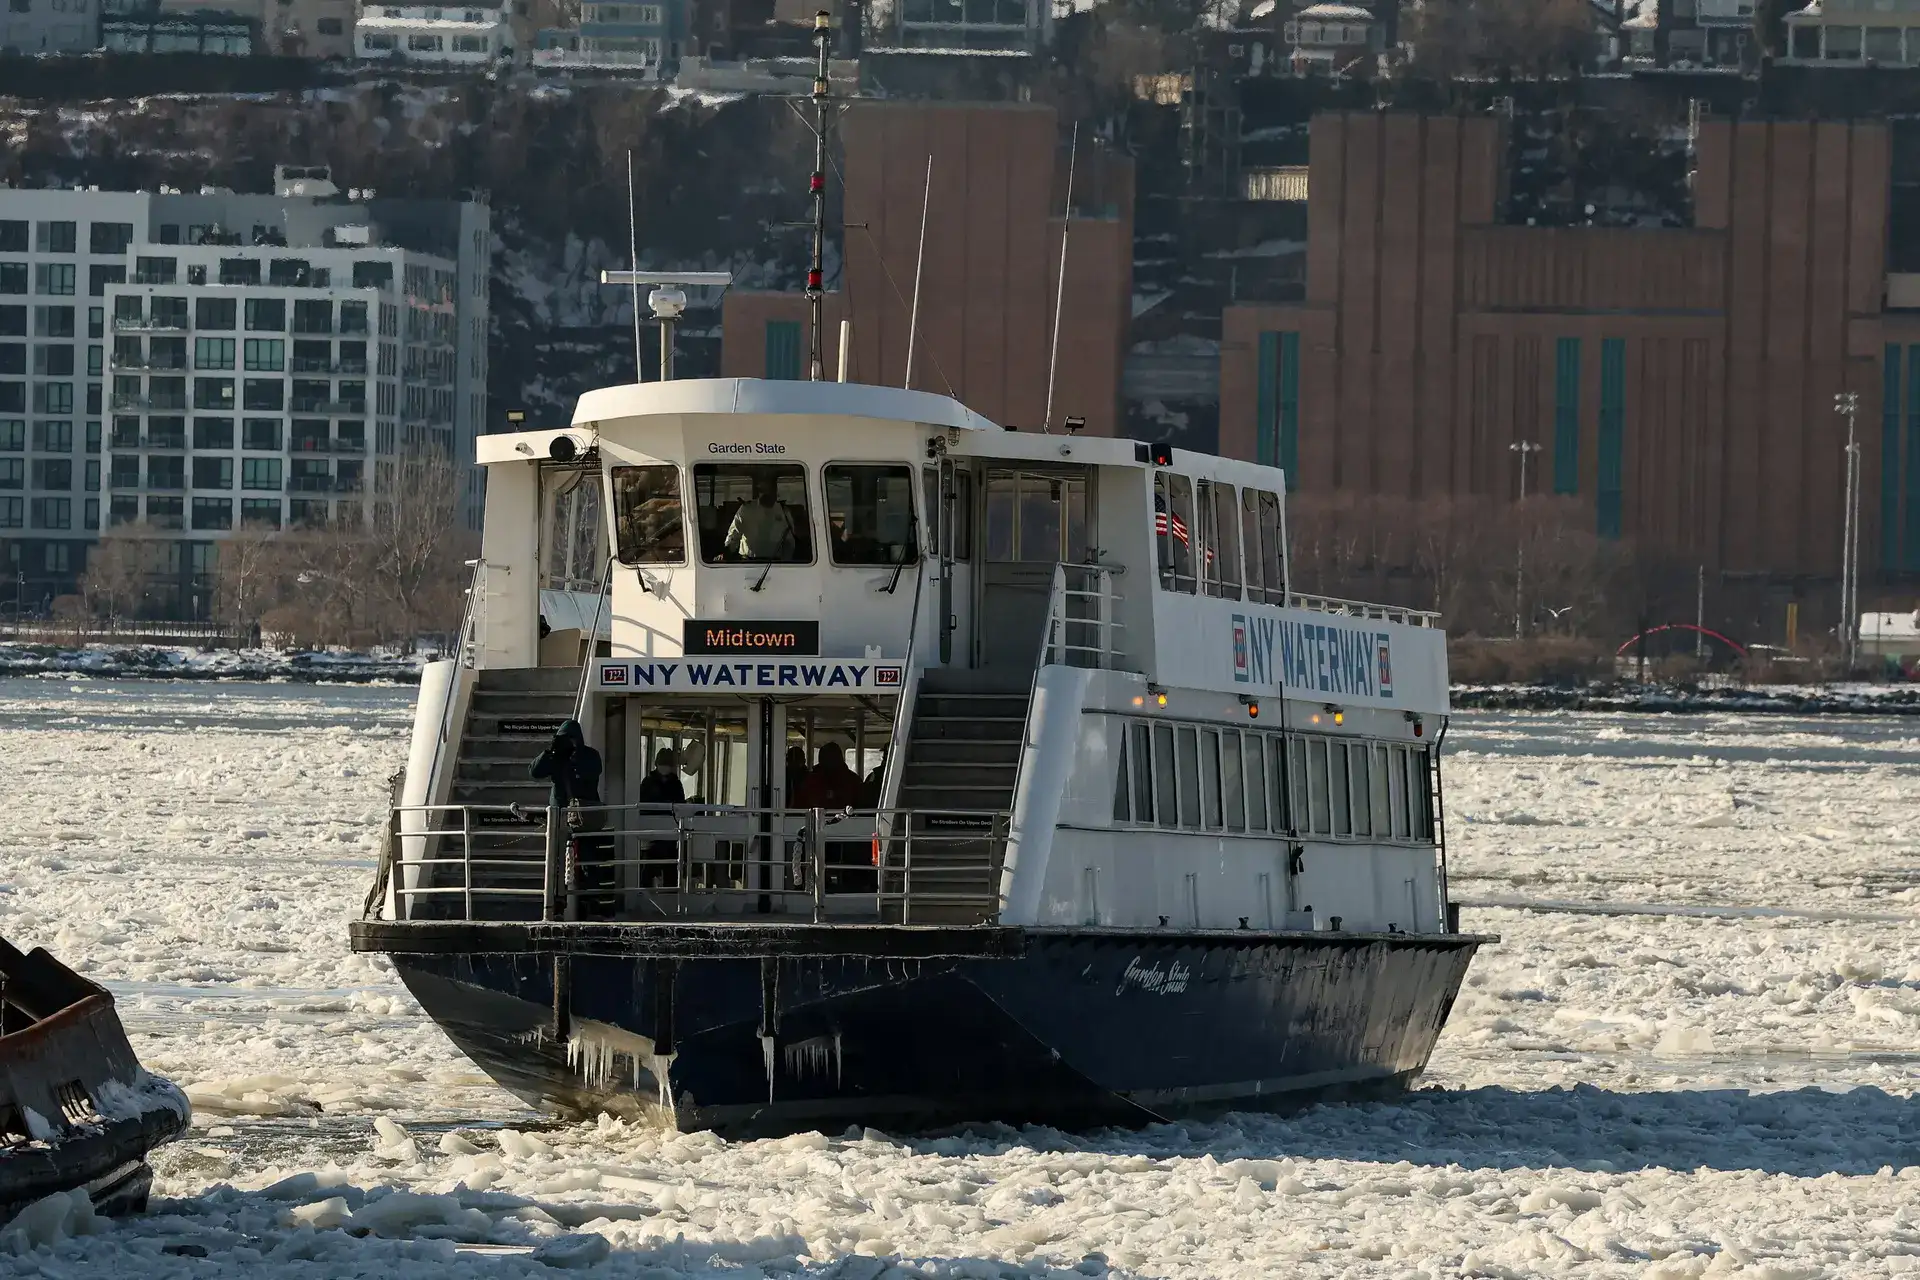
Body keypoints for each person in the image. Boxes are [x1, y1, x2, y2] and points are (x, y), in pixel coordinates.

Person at [529, 721, 612, 917]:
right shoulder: (556, 756)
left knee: (588, 860)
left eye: (570, 739)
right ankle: (558, 904)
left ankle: (591, 904)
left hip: (584, 817)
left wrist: (575, 755)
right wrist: (549, 752)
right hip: (561, 816)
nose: (568, 743)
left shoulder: (590, 755)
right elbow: (534, 772)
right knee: (558, 862)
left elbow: (592, 773)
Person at [637, 748, 686, 888]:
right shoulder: (673, 784)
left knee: (654, 865)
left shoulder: (649, 782)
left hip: (662, 832)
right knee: (665, 865)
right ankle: (668, 892)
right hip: (659, 831)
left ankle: (652, 891)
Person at [723, 474, 797, 561]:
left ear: (775, 491)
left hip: (775, 563)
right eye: (763, 490)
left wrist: (786, 564)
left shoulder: (783, 512)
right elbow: (734, 535)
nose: (767, 493)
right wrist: (726, 553)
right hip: (748, 562)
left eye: (770, 489)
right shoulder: (747, 509)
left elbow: (789, 542)